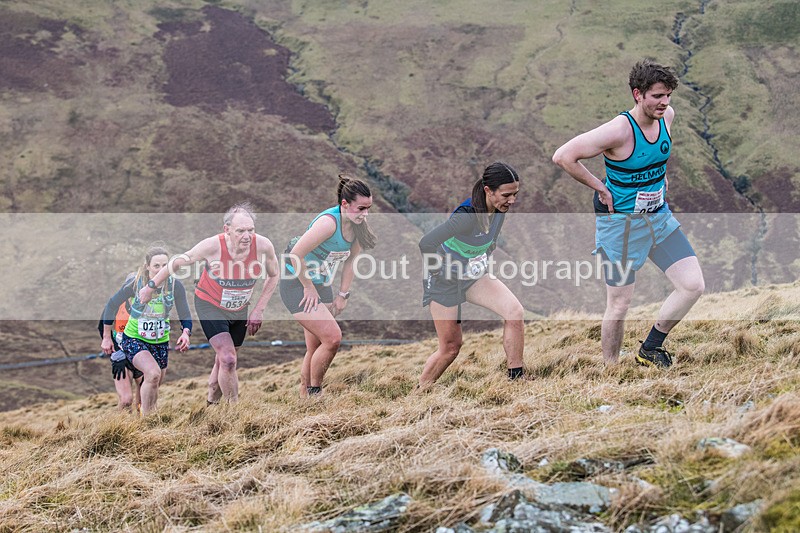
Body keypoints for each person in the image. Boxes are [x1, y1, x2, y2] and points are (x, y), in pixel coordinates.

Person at [552, 58, 704, 368]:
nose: (664, 103)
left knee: (692, 286)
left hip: (658, 219)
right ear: (638, 94)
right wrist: (600, 187)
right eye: (657, 96)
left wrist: (659, 181)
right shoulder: (619, 130)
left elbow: (655, 159)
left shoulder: (667, 117)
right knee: (619, 304)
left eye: (668, 95)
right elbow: (564, 156)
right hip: (620, 226)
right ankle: (611, 369)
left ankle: (650, 348)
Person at [138, 203, 280, 404]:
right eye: (240, 231)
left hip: (240, 308)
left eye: (251, 230)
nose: (247, 236)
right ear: (227, 230)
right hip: (210, 304)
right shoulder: (212, 246)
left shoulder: (264, 246)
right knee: (228, 359)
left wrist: (259, 309)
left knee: (224, 360)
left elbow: (274, 275)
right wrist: (151, 286)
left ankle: (212, 402)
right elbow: (177, 263)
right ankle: (235, 413)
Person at [418, 161, 525, 386]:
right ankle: (419, 394)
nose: (512, 200)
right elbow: (426, 243)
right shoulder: (465, 216)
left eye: (515, 194)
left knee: (514, 312)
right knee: (450, 348)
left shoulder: (499, 209)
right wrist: (440, 270)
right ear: (488, 190)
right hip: (443, 282)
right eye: (507, 195)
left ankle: (517, 379)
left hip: (473, 277)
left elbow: (489, 241)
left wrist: (482, 258)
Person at [280, 175, 376, 397]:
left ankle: (304, 400)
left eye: (368, 208)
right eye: (361, 208)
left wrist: (343, 294)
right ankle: (316, 393)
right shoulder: (328, 224)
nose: (365, 214)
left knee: (315, 347)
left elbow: (351, 261)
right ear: (344, 204)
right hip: (297, 283)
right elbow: (295, 256)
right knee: (333, 339)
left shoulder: (358, 226)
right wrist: (308, 287)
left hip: (322, 283)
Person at [101, 245, 192, 415]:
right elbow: (111, 305)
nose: (161, 269)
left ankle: (144, 417)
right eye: (156, 265)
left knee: (153, 384)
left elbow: (185, 313)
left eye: (165, 265)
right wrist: (106, 337)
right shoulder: (135, 284)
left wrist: (186, 332)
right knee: (152, 374)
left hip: (160, 342)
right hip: (134, 339)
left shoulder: (174, 286)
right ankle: (147, 421)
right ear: (147, 266)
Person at [98, 271, 143, 411]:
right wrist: (115, 351)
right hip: (122, 356)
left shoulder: (150, 305)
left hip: (143, 355)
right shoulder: (116, 305)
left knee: (142, 403)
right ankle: (117, 428)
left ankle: (141, 429)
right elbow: (102, 327)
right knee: (126, 400)